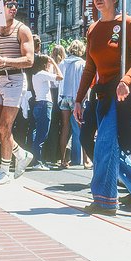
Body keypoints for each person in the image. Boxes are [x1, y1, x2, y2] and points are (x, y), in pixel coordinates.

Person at [73, 0, 131, 216]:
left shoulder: (128, 23)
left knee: (106, 142)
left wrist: (126, 81)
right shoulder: (93, 28)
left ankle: (105, 200)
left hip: (123, 94)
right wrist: (78, 98)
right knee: (92, 143)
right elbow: (89, 67)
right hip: (101, 93)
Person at [0, 0, 34, 185]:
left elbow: (29, 60)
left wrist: (4, 60)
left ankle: (4, 171)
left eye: (15, 4)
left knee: (5, 126)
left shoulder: (22, 30)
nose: (14, 7)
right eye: (9, 4)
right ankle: (20, 153)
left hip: (15, 79)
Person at [57, 39, 88, 168]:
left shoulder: (62, 63)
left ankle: (62, 159)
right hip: (77, 98)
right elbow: (85, 82)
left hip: (64, 96)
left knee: (65, 128)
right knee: (83, 128)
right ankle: (86, 160)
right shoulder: (82, 64)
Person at [30, 54, 63, 170]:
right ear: (44, 64)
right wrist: (54, 62)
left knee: (37, 133)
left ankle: (36, 159)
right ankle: (37, 161)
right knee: (42, 134)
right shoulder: (43, 74)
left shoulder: (36, 75)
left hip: (39, 104)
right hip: (45, 104)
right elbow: (60, 76)